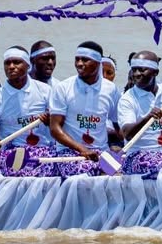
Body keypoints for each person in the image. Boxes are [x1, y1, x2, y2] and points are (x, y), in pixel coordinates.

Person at [48, 41, 122, 176]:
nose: (79, 64)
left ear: (98, 63)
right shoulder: (63, 88)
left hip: (101, 152)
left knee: (119, 175)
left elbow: (119, 126)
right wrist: (82, 149)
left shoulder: (111, 89)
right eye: (77, 59)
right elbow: (55, 128)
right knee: (89, 174)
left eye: (85, 60)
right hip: (70, 152)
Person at [0, 47, 56, 177]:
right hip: (13, 152)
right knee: (19, 169)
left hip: (44, 150)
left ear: (28, 65)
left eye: (16, 62)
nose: (11, 66)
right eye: (7, 63)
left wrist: (51, 122)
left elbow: (61, 127)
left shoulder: (46, 91)